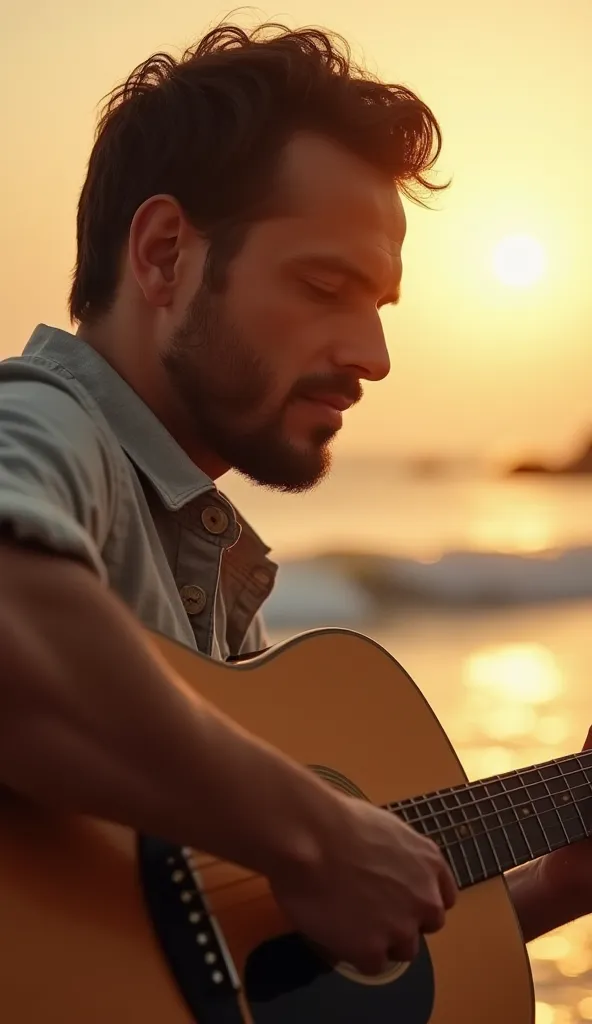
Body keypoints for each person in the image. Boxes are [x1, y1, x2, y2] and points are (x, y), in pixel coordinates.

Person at [0, 22, 588, 980]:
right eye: (325, 284)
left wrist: (560, 885)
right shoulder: (48, 427)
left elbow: (223, 971)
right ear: (162, 255)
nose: (374, 357)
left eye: (381, 309)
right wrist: (316, 834)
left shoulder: (202, 564)